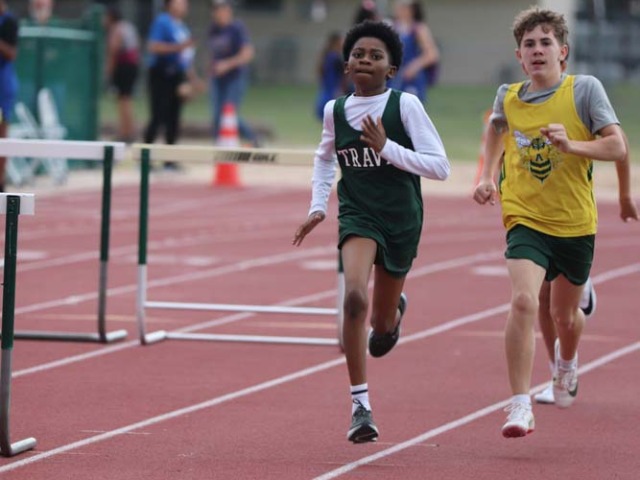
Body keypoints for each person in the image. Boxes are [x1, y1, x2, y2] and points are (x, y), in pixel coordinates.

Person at [473, 7, 629, 438]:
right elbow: (497, 129)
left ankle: (567, 362)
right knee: (524, 301)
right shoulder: (507, 96)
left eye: (545, 43)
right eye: (529, 44)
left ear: (563, 51)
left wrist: (572, 145)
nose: (537, 50)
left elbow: (617, 147)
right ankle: (520, 404)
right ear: (519, 56)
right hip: (524, 216)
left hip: (574, 222)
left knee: (565, 316)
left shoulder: (584, 90)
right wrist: (487, 176)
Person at [292, 20, 450, 443]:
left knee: (379, 325)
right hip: (358, 216)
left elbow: (440, 167)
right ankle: (360, 407)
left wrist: (387, 148)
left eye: (376, 56)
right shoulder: (335, 111)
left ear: (391, 69)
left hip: (400, 218)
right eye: (358, 54)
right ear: (346, 65)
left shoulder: (405, 106)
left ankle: (393, 312)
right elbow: (324, 158)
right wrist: (317, 207)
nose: (365, 60)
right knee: (354, 298)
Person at [534, 131, 638, 404]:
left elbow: (619, 142)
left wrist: (625, 196)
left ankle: (580, 283)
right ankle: (557, 372)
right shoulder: (517, 106)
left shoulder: (583, 104)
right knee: (540, 297)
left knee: (554, 302)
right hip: (530, 210)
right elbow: (504, 140)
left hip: (572, 214)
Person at [143, 0, 200, 169]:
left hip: (177, 75)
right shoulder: (163, 21)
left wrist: (193, 79)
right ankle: (145, 159)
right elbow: (154, 46)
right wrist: (179, 47)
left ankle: (170, 160)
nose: (183, 4)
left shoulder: (182, 27)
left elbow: (185, 58)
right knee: (158, 115)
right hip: (161, 74)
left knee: (174, 118)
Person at [208, 0, 257, 146]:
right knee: (217, 115)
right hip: (217, 78)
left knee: (228, 113)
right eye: (216, 9)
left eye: (222, 9)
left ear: (228, 10)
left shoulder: (237, 28)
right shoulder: (213, 29)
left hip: (235, 77)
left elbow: (247, 54)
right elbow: (213, 55)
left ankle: (253, 139)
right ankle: (219, 146)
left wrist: (227, 64)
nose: (218, 12)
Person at [389, 0, 439, 104]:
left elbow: (432, 54)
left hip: (412, 78)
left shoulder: (418, 29)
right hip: (394, 77)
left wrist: (414, 66)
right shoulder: (392, 27)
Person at [105, 5, 140, 143]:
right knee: (127, 99)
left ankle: (126, 132)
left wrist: (109, 68)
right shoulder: (128, 26)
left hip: (123, 67)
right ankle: (129, 130)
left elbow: (113, 49)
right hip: (132, 66)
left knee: (123, 100)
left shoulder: (116, 28)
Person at [0, 0, 18, 193]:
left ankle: (0, 182)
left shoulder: (9, 22)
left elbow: (12, 53)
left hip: (2, 88)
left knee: (1, 135)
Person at [314, 31, 346, 121]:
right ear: (336, 42)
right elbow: (343, 76)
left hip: (324, 94)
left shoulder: (326, 57)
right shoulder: (335, 58)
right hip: (333, 93)